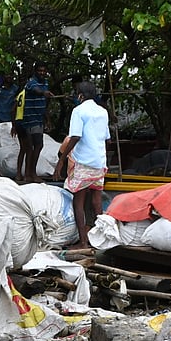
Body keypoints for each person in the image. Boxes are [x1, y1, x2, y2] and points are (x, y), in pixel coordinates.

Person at [56, 82, 110, 248]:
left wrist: (62, 160)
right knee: (96, 200)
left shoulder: (79, 111)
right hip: (99, 161)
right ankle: (101, 238)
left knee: (78, 201)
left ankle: (83, 242)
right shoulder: (102, 112)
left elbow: (75, 137)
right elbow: (107, 138)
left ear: (80, 95)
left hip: (84, 160)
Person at [17, 64, 55, 182]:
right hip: (29, 119)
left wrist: (47, 119)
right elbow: (37, 91)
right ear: (35, 72)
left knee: (36, 146)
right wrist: (44, 93)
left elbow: (43, 103)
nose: (42, 73)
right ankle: (30, 173)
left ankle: (30, 173)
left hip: (38, 118)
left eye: (44, 70)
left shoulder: (45, 83)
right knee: (32, 146)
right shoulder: (31, 83)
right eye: (40, 70)